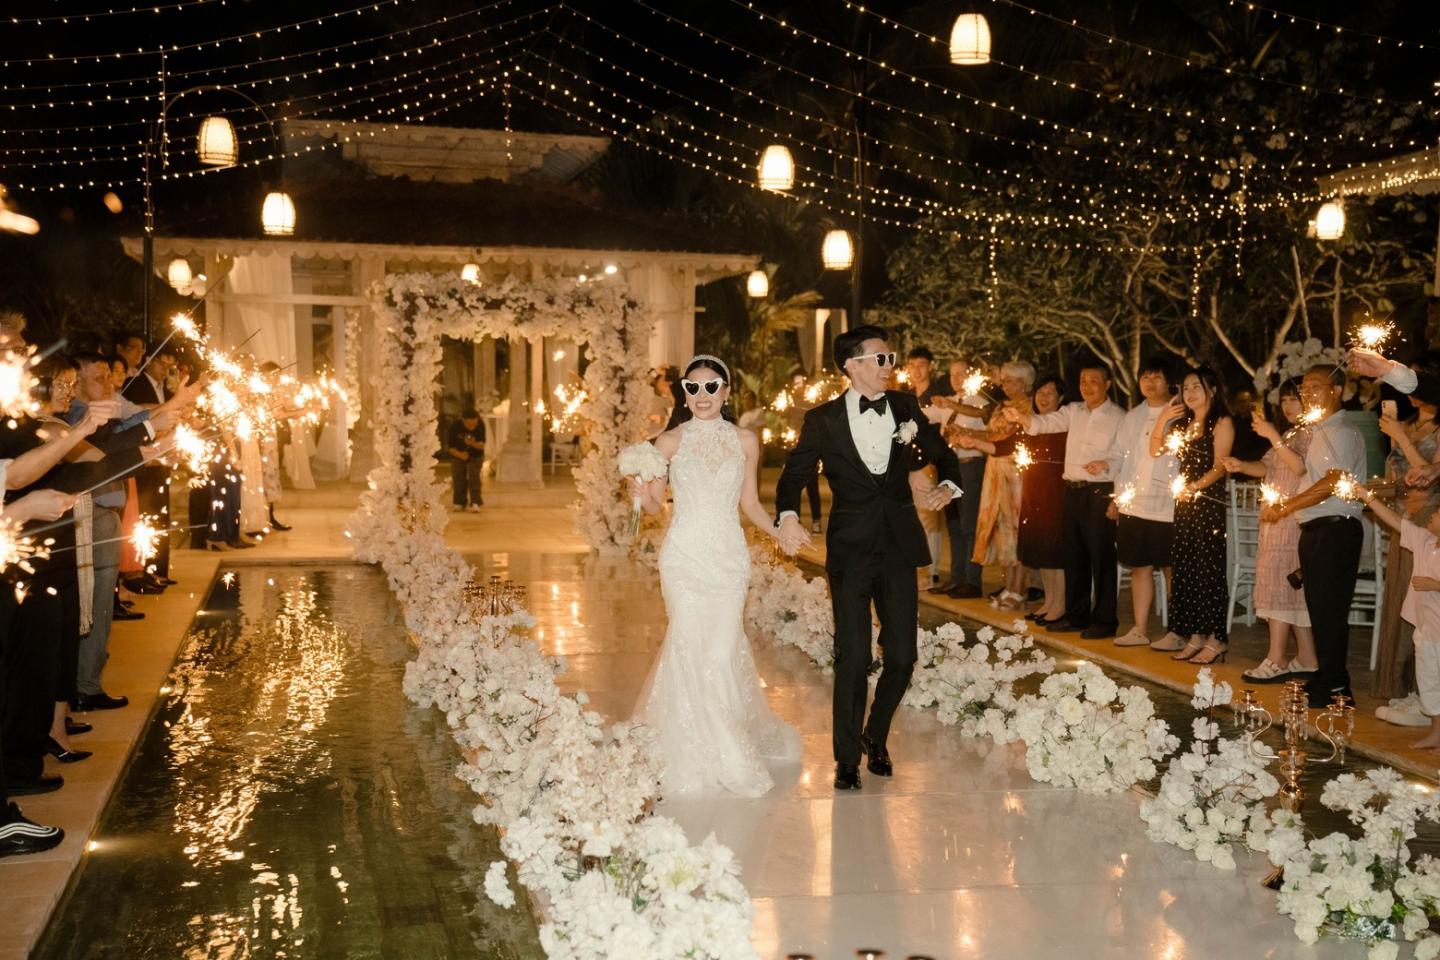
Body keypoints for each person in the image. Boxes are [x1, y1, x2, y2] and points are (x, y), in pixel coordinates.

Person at [775, 325, 962, 790]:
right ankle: (845, 759)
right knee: (853, 656)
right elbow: (793, 475)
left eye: (891, 358)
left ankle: (874, 735)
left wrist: (947, 485)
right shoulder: (822, 420)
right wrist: (788, 516)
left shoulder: (905, 406)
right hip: (851, 549)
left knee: (902, 656)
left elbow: (943, 453)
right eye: (881, 358)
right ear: (852, 365)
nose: (889, 366)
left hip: (899, 546)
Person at [631, 354, 800, 797]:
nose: (702, 395)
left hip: (728, 558)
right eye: (693, 387)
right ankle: (705, 752)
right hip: (683, 557)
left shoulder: (746, 441)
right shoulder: (668, 442)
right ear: (684, 394)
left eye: (711, 387)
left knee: (721, 652)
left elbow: (751, 503)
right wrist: (640, 493)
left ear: (726, 392)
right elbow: (654, 506)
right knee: (688, 644)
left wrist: (779, 530)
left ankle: (725, 742)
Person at [1259, 364, 1369, 708]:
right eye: (1304, 388)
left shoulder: (1343, 431)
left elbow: (1333, 481)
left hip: (1335, 528)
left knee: (1330, 609)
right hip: (1317, 529)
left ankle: (1337, 686)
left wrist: (1287, 506)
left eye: (1315, 387)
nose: (1307, 394)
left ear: (1336, 390)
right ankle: (1326, 675)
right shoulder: (1321, 430)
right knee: (1320, 609)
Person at [1007, 363, 1126, 639]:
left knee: (1101, 558)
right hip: (1071, 490)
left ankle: (1105, 620)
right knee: (1074, 556)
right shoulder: (1074, 411)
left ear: (1107, 384)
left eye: (1093, 381)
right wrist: (1022, 418)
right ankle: (1076, 615)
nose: (1087, 386)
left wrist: (1106, 464)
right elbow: (1048, 423)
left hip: (1099, 492)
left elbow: (1124, 455)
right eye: (1083, 381)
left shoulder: (1119, 417)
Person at [1223, 378, 1318, 683]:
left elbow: (1301, 467)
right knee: (1287, 588)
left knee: (1282, 586)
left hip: (1293, 518)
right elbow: (1268, 467)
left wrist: (1273, 436)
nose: (1288, 406)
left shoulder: (1313, 433)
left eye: (1295, 399)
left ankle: (1276, 658)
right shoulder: (1290, 433)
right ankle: (1307, 657)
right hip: (1276, 519)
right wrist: (1241, 465)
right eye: (1285, 400)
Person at [1148, 366, 1234, 664]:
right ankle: (1195, 634)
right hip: (1184, 503)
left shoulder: (1221, 422)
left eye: (1196, 386)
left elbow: (1220, 466)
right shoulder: (1183, 424)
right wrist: (1162, 419)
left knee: (1208, 570)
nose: (1190, 393)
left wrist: (1195, 487)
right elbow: (1154, 450)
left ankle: (1216, 638)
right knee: (1186, 570)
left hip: (1207, 503)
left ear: (1212, 390)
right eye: (1186, 388)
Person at [1350, 479, 1440, 749]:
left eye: (1438, 513)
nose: (1432, 514)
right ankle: (1437, 732)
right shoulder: (1425, 541)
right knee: (1429, 681)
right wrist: (1367, 497)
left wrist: (1436, 585)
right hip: (1426, 630)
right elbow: (1396, 522)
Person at [1110, 356, 1180, 649]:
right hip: (1134, 504)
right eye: (1145, 377)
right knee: (1139, 567)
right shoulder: (1132, 416)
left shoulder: (1180, 413)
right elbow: (1121, 458)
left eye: (1157, 377)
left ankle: (1177, 630)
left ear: (1169, 381)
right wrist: (1117, 499)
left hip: (1168, 505)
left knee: (1171, 569)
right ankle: (1140, 629)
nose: (1150, 383)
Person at [958, 361, 1033, 610]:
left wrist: (976, 441)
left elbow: (1010, 440)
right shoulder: (1001, 406)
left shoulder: (1028, 408)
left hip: (1014, 471)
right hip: (994, 470)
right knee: (1000, 527)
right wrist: (968, 434)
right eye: (1005, 380)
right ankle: (1008, 585)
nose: (1006, 385)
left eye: (1011, 381)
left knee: (1016, 527)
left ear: (1025, 383)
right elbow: (992, 435)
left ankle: (1019, 588)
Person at [930, 359, 987, 598]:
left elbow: (982, 416)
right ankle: (957, 578)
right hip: (950, 469)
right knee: (954, 525)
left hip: (970, 466)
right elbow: (923, 414)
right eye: (953, 374)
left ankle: (972, 581)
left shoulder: (980, 402)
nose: (956, 378)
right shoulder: (947, 402)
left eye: (962, 373)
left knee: (969, 525)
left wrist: (951, 404)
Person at [1015, 375, 1067, 623]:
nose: (1044, 398)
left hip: (1055, 491)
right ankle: (1049, 601)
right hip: (1033, 490)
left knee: (1055, 551)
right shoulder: (1031, 424)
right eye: (1040, 393)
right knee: (1041, 551)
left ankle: (1060, 604)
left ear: (1061, 398)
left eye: (1050, 393)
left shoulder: (1062, 424)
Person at [783, 372, 824, 534]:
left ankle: (816, 521)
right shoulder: (789, 402)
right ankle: (796, 520)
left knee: (812, 487)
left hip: (810, 450)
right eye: (795, 383)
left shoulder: (812, 402)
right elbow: (787, 422)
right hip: (793, 449)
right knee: (793, 486)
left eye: (800, 382)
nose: (797, 386)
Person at [446, 409, 486, 512]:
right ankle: (459, 502)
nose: (472, 426)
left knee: (474, 477)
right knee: (458, 477)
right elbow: (450, 448)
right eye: (470, 424)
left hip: (476, 454)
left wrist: (473, 443)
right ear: (463, 420)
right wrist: (460, 455)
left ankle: (475, 502)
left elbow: (482, 445)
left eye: (474, 424)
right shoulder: (454, 426)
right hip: (457, 453)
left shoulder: (480, 424)